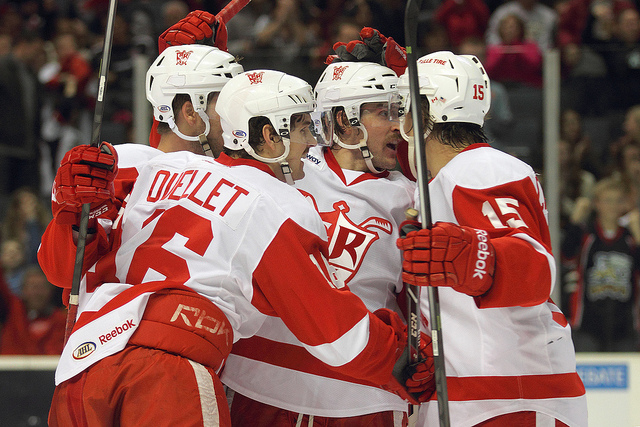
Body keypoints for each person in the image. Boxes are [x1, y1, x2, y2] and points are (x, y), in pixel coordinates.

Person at [47, 69, 434, 426]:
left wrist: (73, 212)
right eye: (302, 128)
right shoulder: (276, 204)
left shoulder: (163, 168)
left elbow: (68, 271)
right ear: (269, 136)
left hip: (83, 365)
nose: (313, 142)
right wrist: (404, 358)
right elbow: (334, 332)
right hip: (169, 369)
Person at [395, 51, 588, 426]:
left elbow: (534, 268)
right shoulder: (446, 177)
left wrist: (475, 258)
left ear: (422, 113)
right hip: (479, 388)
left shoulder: (480, 168)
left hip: (510, 393)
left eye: (402, 107)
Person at [222, 59, 418, 425]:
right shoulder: (289, 164)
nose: (397, 125)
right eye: (383, 112)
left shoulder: (413, 198)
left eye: (400, 112)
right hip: (262, 381)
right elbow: (238, 118)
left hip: (359, 395)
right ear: (344, 120)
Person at [38, 42, 244, 291]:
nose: (239, 118)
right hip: (118, 325)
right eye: (226, 107)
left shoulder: (245, 174)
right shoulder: (120, 168)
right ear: (191, 112)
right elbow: (62, 273)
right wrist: (75, 219)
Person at [562, 175, 640, 352]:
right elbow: (566, 256)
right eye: (607, 200)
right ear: (596, 204)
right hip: (587, 323)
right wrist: (575, 221)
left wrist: (639, 236)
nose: (612, 206)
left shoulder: (630, 238)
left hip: (625, 325)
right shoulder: (586, 235)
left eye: (618, 201)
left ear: (624, 205)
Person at [0, 264, 67, 355]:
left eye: (42, 287)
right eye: (33, 287)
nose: (37, 293)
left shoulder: (62, 321)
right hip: (9, 368)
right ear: (23, 290)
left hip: (48, 368)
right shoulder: (13, 312)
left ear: (51, 290)